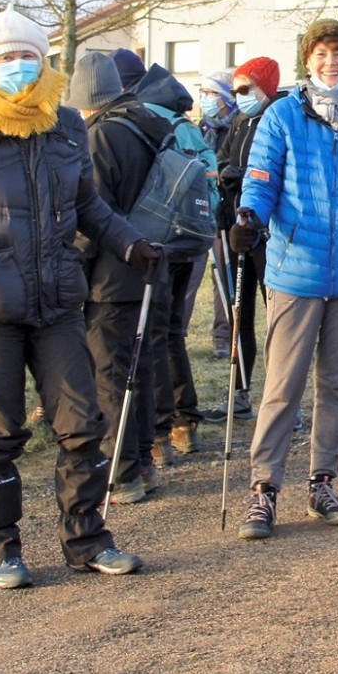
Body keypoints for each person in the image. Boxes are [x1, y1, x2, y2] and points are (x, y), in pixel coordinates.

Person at [0, 9, 156, 589]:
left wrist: (129, 244)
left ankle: (87, 538)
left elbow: (89, 207)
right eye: (5, 59)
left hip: (57, 302)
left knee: (82, 425)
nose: (18, 68)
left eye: (27, 56)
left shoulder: (66, 125)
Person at [229, 19, 338, 540]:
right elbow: (261, 178)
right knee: (282, 386)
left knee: (336, 384)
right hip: (295, 270)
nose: (331, 62)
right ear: (307, 61)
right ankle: (263, 488)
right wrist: (249, 218)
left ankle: (323, 481)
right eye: (322, 54)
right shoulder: (282, 115)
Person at [69, 51, 175, 505]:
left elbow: (93, 216)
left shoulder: (98, 138)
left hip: (111, 277)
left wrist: (74, 270)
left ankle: (122, 472)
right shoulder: (148, 126)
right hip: (152, 264)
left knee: (111, 374)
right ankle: (146, 462)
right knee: (143, 365)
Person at [130, 63, 219, 462]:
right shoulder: (185, 124)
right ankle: (186, 422)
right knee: (172, 334)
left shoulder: (142, 123)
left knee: (152, 335)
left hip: (157, 241)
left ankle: (160, 433)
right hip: (191, 240)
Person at [213, 54, 282, 420]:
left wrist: (248, 176)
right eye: (236, 88)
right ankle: (240, 393)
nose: (239, 94)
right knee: (241, 314)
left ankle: (284, 398)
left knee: (279, 318)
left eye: (246, 87)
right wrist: (228, 172)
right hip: (237, 229)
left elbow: (278, 170)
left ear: (265, 88)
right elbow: (220, 159)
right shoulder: (239, 121)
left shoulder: (278, 118)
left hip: (269, 234)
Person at [195, 73, 239, 367]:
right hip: (200, 210)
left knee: (224, 274)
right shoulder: (201, 128)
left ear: (226, 97)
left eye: (211, 92)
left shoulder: (236, 126)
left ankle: (225, 336)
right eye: (203, 91)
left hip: (226, 212)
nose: (206, 97)